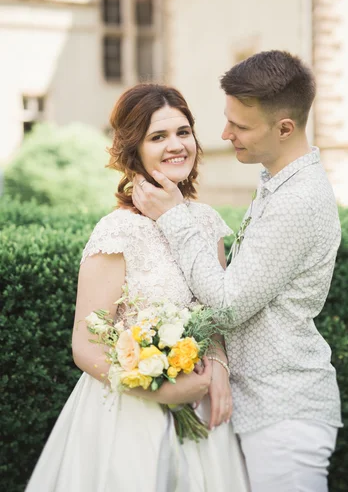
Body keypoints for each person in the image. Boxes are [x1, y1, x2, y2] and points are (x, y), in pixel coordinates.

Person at [132, 51, 343, 492]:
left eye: (240, 126)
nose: (225, 134)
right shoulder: (276, 184)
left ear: (284, 128)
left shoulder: (298, 201)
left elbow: (227, 305)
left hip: (284, 413)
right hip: (258, 409)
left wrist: (173, 217)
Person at [25, 84, 249, 492]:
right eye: (157, 136)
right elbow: (86, 344)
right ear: (134, 151)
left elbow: (216, 311)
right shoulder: (119, 231)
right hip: (129, 417)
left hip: (202, 409)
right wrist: (156, 389)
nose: (176, 145)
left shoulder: (206, 222)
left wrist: (217, 366)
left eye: (183, 132)